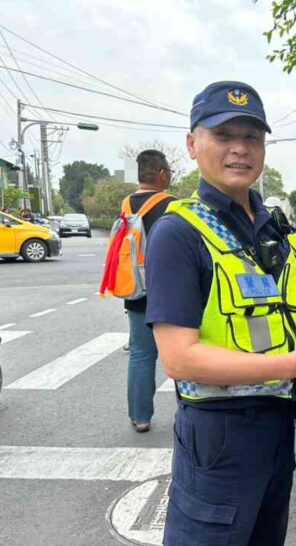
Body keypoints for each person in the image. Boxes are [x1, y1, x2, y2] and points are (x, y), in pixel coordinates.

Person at [144, 81, 296, 546]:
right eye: (224, 134)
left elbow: (282, 323)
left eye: (252, 136)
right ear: (193, 143)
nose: (240, 148)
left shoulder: (274, 228)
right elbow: (179, 357)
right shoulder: (179, 233)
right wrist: (293, 363)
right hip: (219, 434)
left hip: (277, 425)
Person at [121, 150, 175, 432]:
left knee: (141, 354)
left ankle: (140, 417)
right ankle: (189, 411)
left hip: (136, 290)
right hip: (171, 292)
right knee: (182, 352)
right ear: (163, 175)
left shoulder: (126, 204)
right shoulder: (173, 205)